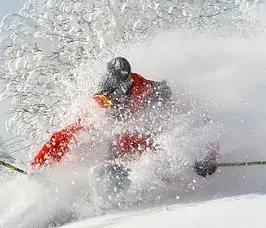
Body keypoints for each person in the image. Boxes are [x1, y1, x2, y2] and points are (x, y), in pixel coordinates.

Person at [29, 57, 219, 200]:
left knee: (160, 146)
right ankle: (86, 196)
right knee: (97, 147)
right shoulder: (97, 110)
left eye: (111, 99)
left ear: (126, 90)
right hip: (116, 158)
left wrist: (208, 154)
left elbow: (196, 119)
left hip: (149, 153)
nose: (108, 105)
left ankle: (146, 188)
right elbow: (63, 137)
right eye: (104, 100)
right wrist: (39, 168)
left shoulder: (152, 94)